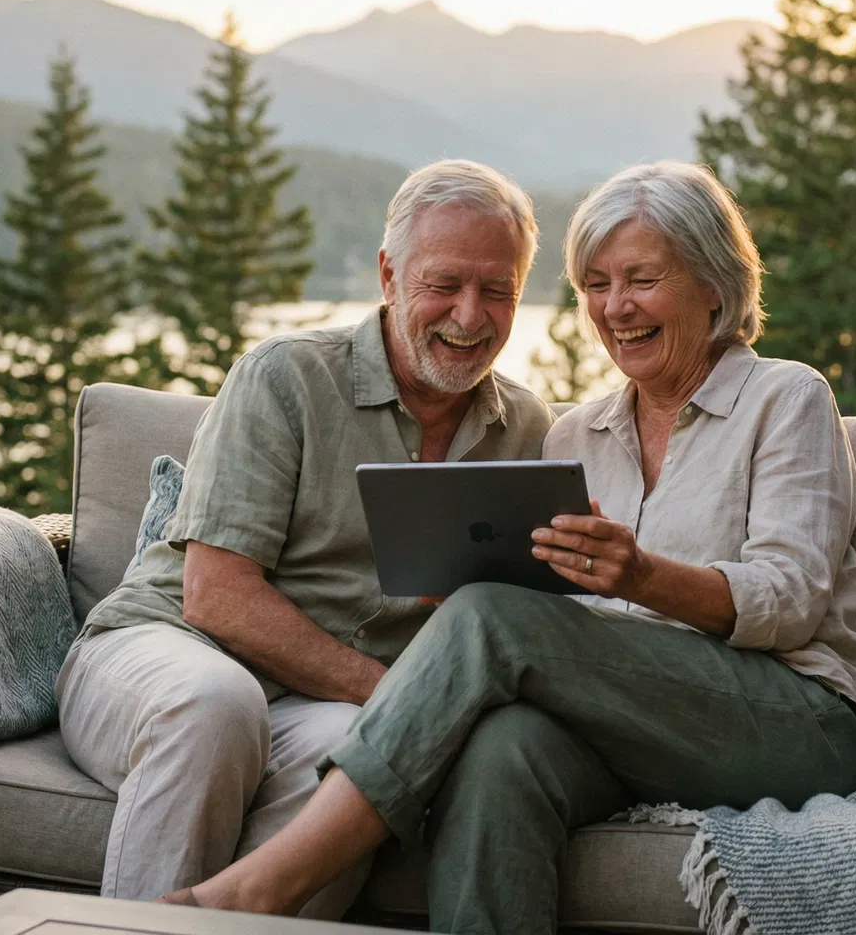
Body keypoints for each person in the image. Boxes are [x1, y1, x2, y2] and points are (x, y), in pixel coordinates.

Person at [167, 160, 856, 933]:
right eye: (596, 284)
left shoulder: (787, 397)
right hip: (630, 720)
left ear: (714, 284)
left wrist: (640, 577)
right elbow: (567, 621)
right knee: (499, 751)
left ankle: (265, 888)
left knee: (490, 620)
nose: (617, 308)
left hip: (796, 722)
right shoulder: (575, 434)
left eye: (642, 278)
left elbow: (790, 599)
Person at [55, 159, 556, 916]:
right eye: (444, 284)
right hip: (162, 652)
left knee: (359, 759)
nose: (469, 315)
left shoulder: (525, 429)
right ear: (389, 275)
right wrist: (398, 697)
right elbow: (214, 596)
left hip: (315, 707)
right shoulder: (286, 378)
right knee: (217, 705)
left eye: (497, 291)